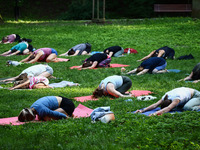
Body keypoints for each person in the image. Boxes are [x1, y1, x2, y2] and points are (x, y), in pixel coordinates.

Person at [135, 87, 200, 116]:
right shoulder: (165, 96)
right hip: (186, 95)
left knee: (186, 108)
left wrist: (155, 113)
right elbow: (155, 105)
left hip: (196, 95)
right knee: (179, 107)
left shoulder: (176, 99)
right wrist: (143, 110)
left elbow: (168, 108)